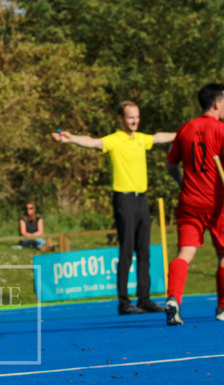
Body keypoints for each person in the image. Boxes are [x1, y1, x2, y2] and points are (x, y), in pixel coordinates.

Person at [52, 102, 175, 315]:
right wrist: (71, 139)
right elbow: (92, 142)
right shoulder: (114, 141)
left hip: (142, 200)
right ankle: (124, 303)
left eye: (136, 117)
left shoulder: (140, 139)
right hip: (124, 199)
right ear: (120, 119)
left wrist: (185, 131)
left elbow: (159, 137)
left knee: (144, 251)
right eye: (130, 118)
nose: (134, 121)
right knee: (126, 250)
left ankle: (144, 299)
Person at [165, 83, 224, 325]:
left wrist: (184, 184)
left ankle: (173, 299)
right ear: (217, 103)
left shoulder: (185, 129)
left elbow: (171, 166)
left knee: (185, 253)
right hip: (218, 204)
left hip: (189, 201)